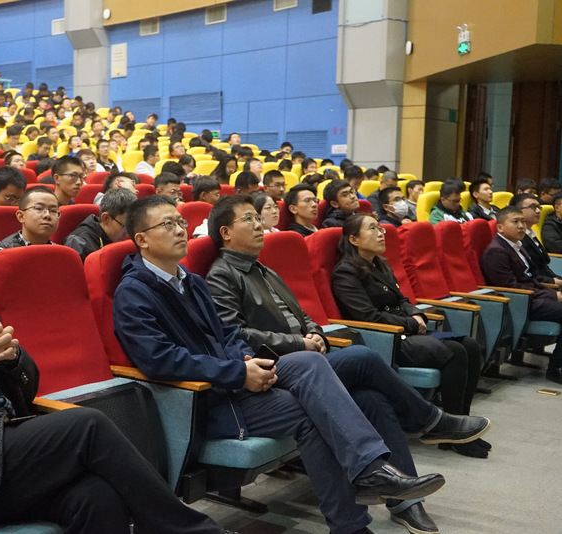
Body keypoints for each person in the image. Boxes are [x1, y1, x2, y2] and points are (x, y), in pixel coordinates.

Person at [0, 209, 228, 533]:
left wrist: (12, 360)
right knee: (86, 424)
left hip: (10, 448)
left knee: (98, 497)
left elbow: (26, 391)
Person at [113, 195, 447, 534]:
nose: (180, 230)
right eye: (168, 224)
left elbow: (227, 334)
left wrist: (247, 359)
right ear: (142, 239)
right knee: (315, 408)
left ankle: (368, 476)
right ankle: (357, 511)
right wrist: (238, 372)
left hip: (235, 382)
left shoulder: (191, 281)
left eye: (181, 222)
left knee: (312, 364)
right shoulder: (134, 293)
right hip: (206, 402)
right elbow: (159, 360)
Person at [205, 195, 489, 534]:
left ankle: (402, 500)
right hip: (278, 367)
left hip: (307, 357)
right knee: (362, 357)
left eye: (258, 217)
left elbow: (301, 315)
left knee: (372, 398)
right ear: (225, 232)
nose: (259, 224)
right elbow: (235, 334)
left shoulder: (265, 270)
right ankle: (429, 422)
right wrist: (301, 343)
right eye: (249, 219)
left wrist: (315, 333)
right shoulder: (221, 275)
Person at [332, 214, 488, 458]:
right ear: (354, 239)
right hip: (386, 338)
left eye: (381, 228)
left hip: (406, 330)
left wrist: (417, 315)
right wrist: (411, 324)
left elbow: (402, 300)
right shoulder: (345, 272)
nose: (381, 233)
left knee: (470, 345)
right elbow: (367, 316)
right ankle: (451, 433)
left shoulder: (380, 264)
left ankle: (462, 426)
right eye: (372, 229)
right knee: (456, 352)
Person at [480, 206, 562, 384]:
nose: (521, 226)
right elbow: (511, 287)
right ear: (500, 227)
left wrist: (553, 292)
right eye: (515, 222)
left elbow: (532, 278)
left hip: (534, 296)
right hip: (521, 303)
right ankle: (556, 368)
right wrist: (552, 296)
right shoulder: (496, 251)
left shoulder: (518, 245)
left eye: (522, 221)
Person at [64, 188, 134, 261]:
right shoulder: (78, 243)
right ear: (106, 218)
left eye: (131, 227)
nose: (128, 234)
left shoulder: (114, 238)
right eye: (124, 226)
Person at [0, 186, 61, 256]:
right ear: (21, 216)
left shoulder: (60, 253)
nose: (47, 215)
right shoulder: (3, 253)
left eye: (53, 211)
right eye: (39, 208)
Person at [510, 193, 562, 284]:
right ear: (518, 211)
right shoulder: (517, 239)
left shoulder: (531, 234)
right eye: (533, 207)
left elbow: (544, 267)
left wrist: (557, 279)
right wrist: (553, 281)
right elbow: (528, 273)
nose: (538, 211)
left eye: (539, 207)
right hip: (536, 286)